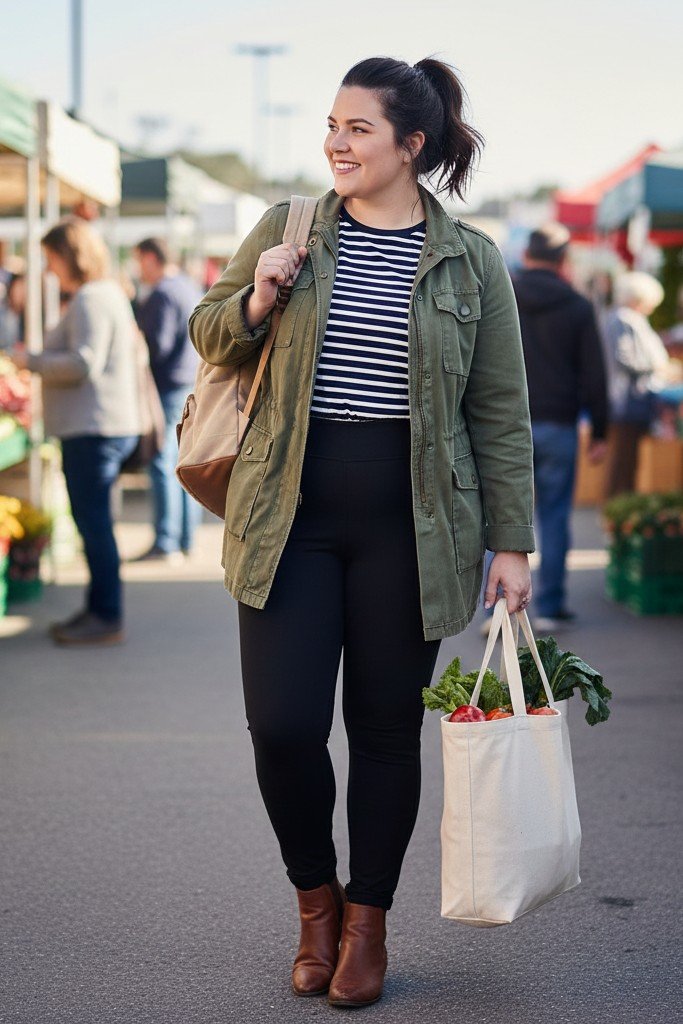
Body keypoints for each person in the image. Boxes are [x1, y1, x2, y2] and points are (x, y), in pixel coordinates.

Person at [189, 56, 535, 1008]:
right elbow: (208, 333)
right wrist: (257, 297)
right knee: (285, 727)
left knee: (385, 734)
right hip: (286, 519)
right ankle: (316, 905)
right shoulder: (288, 228)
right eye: (330, 127)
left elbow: (499, 410)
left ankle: (368, 924)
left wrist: (513, 543)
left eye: (357, 129)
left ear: (409, 145)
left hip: (413, 529)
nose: (336, 144)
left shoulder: (470, 259)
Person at [11, 218, 140, 645]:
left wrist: (31, 360)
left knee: (95, 525)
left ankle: (106, 615)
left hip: (93, 428)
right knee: (95, 524)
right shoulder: (106, 294)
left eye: (51, 258)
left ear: (70, 256)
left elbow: (83, 362)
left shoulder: (90, 298)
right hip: (99, 425)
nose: (49, 269)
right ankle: (100, 609)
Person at [501, 223, 609, 634]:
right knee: (554, 515)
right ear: (563, 260)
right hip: (559, 424)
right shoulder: (578, 306)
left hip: (503, 427)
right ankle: (549, 606)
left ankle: (497, 608)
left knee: (500, 517)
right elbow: (594, 375)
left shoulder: (503, 294)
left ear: (526, 255)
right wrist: (599, 431)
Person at [132, 238, 202, 562]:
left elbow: (155, 347)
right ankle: (185, 538)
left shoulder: (162, 293)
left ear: (149, 258)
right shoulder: (187, 286)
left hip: (166, 385)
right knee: (184, 464)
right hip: (188, 383)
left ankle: (167, 540)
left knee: (163, 463)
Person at [602, 271, 668, 497]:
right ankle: (617, 512)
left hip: (634, 399)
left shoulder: (628, 318)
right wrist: (656, 365)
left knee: (628, 461)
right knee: (623, 461)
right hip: (627, 400)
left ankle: (620, 509)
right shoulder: (622, 318)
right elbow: (625, 358)